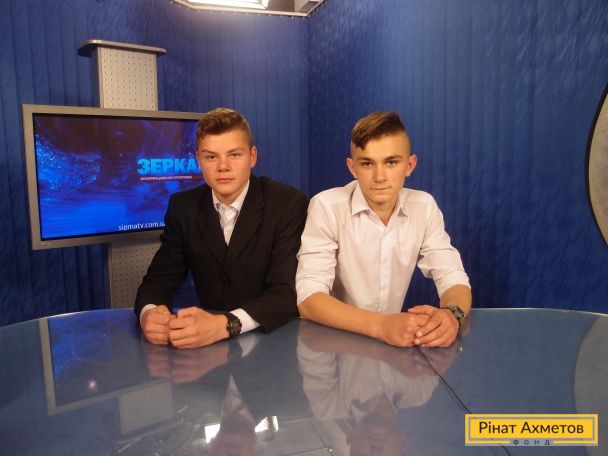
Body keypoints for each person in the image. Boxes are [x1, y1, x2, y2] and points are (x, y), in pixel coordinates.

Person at [135, 108, 308, 349]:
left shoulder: (287, 203)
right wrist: (150, 313)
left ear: (252, 156)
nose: (223, 166)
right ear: (198, 160)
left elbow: (285, 292)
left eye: (234, 155)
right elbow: (160, 279)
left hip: (275, 341)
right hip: (208, 351)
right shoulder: (183, 207)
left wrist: (225, 325)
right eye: (211, 157)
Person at [296, 111, 471, 348]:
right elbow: (308, 298)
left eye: (391, 162)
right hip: (332, 342)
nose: (379, 177)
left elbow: (452, 275)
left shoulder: (424, 206)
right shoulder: (326, 206)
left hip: (390, 343)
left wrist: (452, 315)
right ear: (352, 167)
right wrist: (382, 326)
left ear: (410, 165)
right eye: (367, 163)